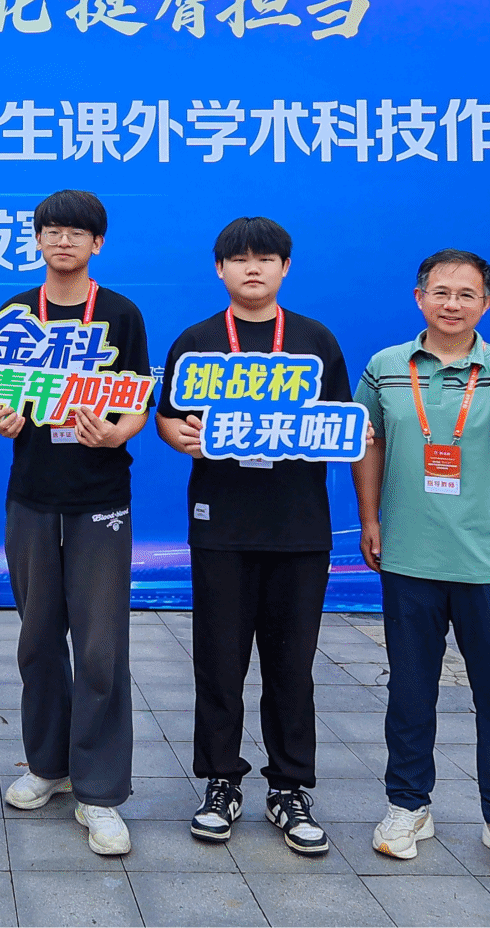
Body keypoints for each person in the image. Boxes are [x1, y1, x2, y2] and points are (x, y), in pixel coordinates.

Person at [353, 248, 490, 881]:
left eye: (467, 294)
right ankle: (408, 805)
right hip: (409, 555)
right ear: (419, 298)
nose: (452, 304)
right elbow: (367, 442)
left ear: (486, 304)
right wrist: (370, 519)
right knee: (410, 691)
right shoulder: (386, 366)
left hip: (486, 559)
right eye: (440, 292)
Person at [155, 217, 347, 856]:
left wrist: (348, 433)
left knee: (292, 666)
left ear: (285, 267)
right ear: (220, 269)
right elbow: (167, 418)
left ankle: (289, 787)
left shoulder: (315, 340)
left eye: (266, 258)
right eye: (239, 259)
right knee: (219, 661)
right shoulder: (198, 341)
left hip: (298, 528)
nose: (253, 268)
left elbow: (340, 419)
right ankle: (220, 782)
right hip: (222, 526)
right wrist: (177, 436)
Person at [0, 190, 149, 857]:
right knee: (36, 640)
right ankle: (47, 765)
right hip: (31, 496)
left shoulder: (120, 314)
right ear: (37, 239)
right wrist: (5, 419)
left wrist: (116, 433)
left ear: (97, 243)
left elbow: (137, 399)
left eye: (76, 233)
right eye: (52, 230)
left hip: (99, 497)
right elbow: (1, 398)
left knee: (101, 645)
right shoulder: (16, 313)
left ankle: (101, 791)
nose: (63, 241)